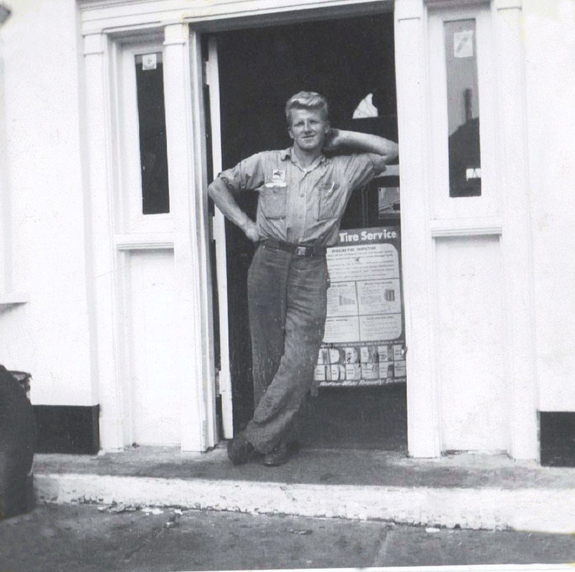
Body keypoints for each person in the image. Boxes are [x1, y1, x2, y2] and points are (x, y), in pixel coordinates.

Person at [208, 91, 398, 466]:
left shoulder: (343, 168)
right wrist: (246, 225)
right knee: (269, 357)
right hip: (268, 264)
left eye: (314, 121)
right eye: (300, 123)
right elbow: (218, 187)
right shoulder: (266, 163)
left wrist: (344, 137)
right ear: (290, 130)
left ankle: (254, 436)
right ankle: (278, 442)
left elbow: (390, 151)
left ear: (325, 126)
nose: (307, 128)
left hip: (311, 268)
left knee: (299, 359)